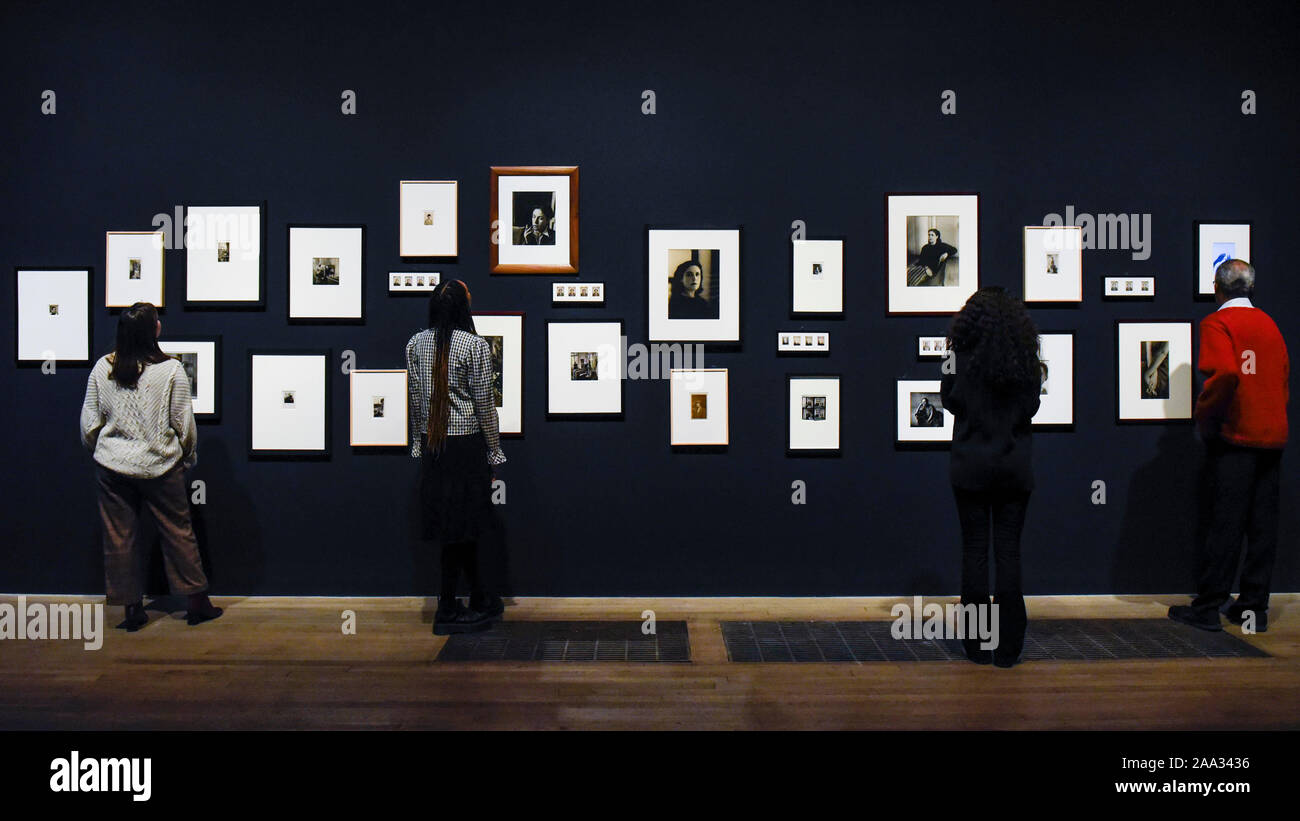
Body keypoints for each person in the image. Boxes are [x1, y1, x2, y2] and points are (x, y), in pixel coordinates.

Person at [79, 302, 222, 631]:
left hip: (112, 467)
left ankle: (132, 609)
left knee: (120, 537)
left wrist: (103, 450)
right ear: (153, 330)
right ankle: (197, 602)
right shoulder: (170, 370)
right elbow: (184, 424)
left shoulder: (104, 368)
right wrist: (187, 457)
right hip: (160, 465)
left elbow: (89, 423)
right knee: (178, 532)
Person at [1169, 260, 1289, 633]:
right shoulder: (1269, 323)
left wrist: (1205, 414)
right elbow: (1282, 375)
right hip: (1273, 435)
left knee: (1225, 523)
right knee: (1262, 526)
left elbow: (1225, 374)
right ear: (1250, 289)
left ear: (1217, 289)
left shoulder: (1217, 323)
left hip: (1237, 435)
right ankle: (1253, 609)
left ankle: (1208, 607)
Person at [940, 287, 1042, 667]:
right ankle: (1009, 646)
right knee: (1009, 552)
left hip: (969, 465)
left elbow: (949, 400)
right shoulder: (1026, 358)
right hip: (1014, 466)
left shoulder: (955, 354)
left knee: (974, 552)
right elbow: (1031, 405)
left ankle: (977, 644)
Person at [406, 280, 507, 635]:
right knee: (462, 527)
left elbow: (416, 401)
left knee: (457, 528)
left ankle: (479, 597)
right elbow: (484, 405)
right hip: (466, 448)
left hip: (435, 447)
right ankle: (448, 607)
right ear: (463, 306)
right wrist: (494, 451)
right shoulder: (475, 345)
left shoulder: (416, 343)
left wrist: (420, 447)